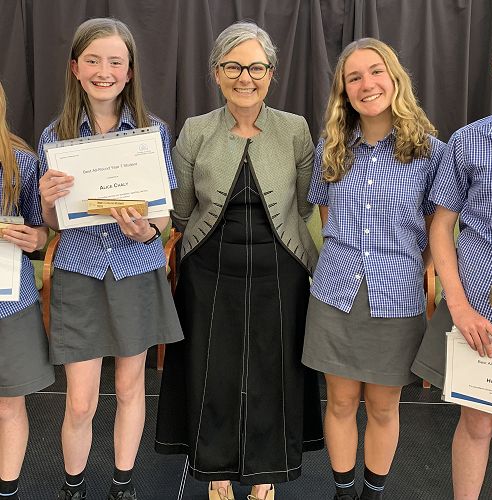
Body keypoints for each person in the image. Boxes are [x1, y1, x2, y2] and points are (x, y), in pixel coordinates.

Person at [155, 21, 323, 500]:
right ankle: (216, 472)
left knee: (274, 369)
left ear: (271, 73)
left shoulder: (295, 129)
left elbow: (306, 205)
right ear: (216, 72)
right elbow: (182, 210)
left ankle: (266, 469)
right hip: (208, 270)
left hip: (280, 268)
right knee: (214, 370)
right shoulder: (196, 131)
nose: (244, 76)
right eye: (233, 65)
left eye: (255, 66)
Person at [37, 18, 183, 500]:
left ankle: (123, 486)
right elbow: (54, 225)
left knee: (129, 388)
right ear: (75, 68)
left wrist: (148, 230)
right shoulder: (53, 137)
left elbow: (164, 216)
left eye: (115, 62)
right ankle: (72, 488)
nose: (105, 71)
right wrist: (46, 198)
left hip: (136, 271)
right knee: (79, 402)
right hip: (80, 274)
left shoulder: (152, 133)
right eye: (94, 61)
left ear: (130, 71)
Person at [302, 38, 446, 500]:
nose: (367, 84)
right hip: (336, 294)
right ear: (344, 90)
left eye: (375, 71)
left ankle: (372, 494)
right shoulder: (332, 145)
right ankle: (344, 492)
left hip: (396, 298)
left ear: (395, 78)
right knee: (341, 401)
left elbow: (434, 233)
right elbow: (327, 220)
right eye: (354, 77)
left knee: (383, 408)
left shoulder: (430, 152)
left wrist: (400, 268)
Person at [412, 36, 492, 499]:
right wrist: (460, 307)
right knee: (478, 421)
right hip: (478, 310)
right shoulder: (470, 142)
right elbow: (441, 227)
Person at [0, 80, 55, 500]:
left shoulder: (19, 160)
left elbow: (42, 235)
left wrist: (32, 239)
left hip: (8, 301)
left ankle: (8, 490)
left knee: (8, 403)